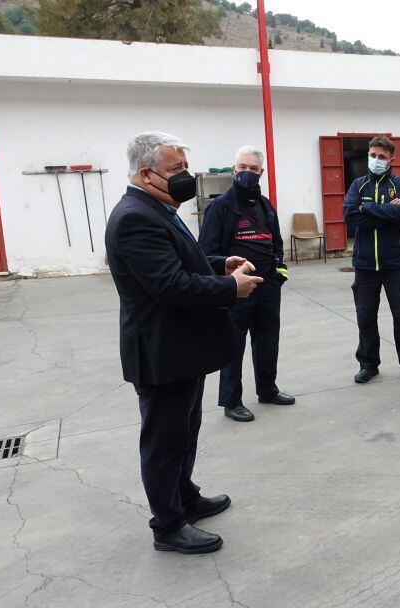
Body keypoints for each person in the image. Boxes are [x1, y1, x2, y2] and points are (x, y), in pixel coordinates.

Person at [105, 131, 263, 554]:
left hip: (181, 347)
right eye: (176, 170)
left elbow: (181, 261)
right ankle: (168, 525)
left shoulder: (160, 208)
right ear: (145, 173)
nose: (185, 178)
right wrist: (230, 288)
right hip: (161, 350)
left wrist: (219, 263)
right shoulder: (134, 216)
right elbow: (169, 285)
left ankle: (185, 497)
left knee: (185, 429)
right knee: (164, 439)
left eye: (184, 168)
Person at [198, 145, 294, 423]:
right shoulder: (219, 208)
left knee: (267, 340)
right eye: (243, 168)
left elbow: (276, 243)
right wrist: (227, 278)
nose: (248, 173)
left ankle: (268, 389)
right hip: (236, 290)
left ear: (261, 172)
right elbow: (206, 253)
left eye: (253, 169)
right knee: (234, 344)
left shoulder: (266, 206)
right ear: (234, 170)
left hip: (267, 288)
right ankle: (231, 401)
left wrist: (279, 273)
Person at [343, 136, 400, 385]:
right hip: (365, 265)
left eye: (382, 156)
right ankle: (368, 365)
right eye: (373, 155)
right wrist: (384, 211)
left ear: (391, 160)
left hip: (396, 264)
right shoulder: (358, 185)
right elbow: (350, 216)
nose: (376, 160)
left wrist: (367, 209)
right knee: (365, 316)